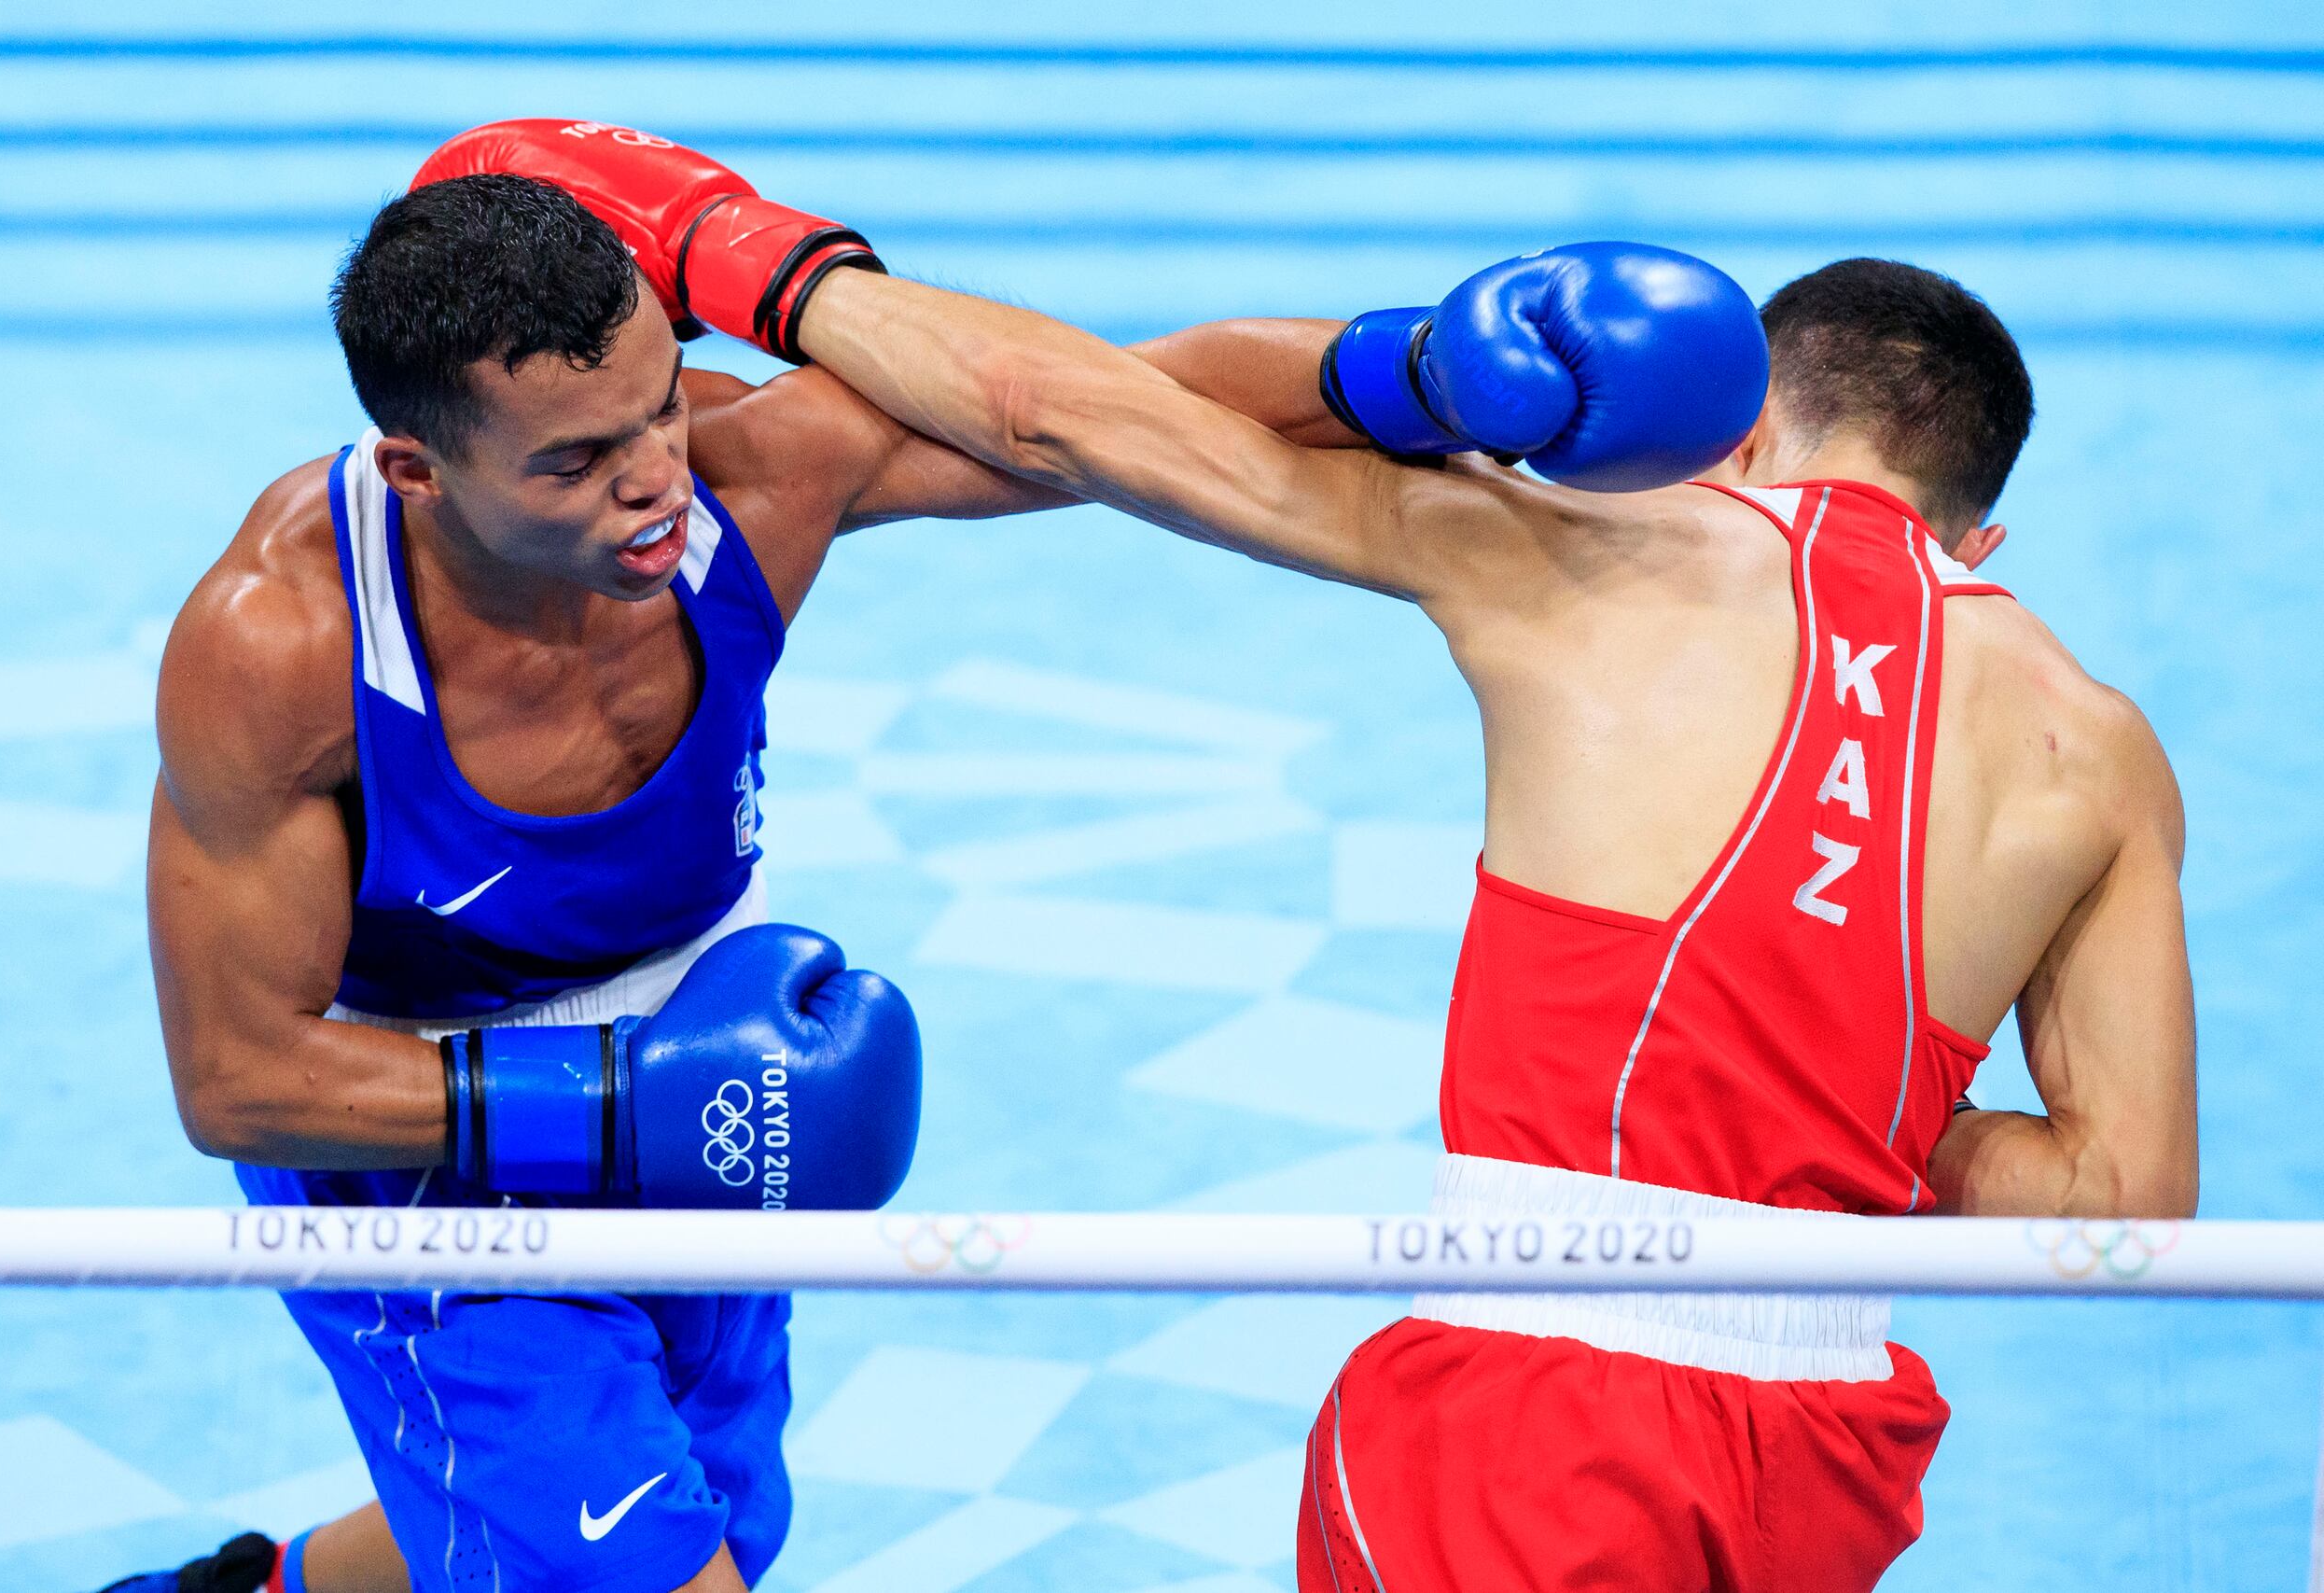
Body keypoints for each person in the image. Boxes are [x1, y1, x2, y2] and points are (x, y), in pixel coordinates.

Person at [476, 121, 2201, 1589]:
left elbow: (1069, 417)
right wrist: (1830, 1068)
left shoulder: (1619, 545)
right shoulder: (2099, 749)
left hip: (1540, 1401)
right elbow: (2124, 1210)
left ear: (1738, 432)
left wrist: (762, 264)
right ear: (1986, 535)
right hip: (1827, 1439)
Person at [113, 163, 1369, 1593]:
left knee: (681, 1509)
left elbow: (1121, 405)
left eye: (660, 404)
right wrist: (630, 1106)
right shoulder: (286, 651)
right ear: (418, 469)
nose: (654, 478)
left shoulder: (749, 475)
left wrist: (1422, 376)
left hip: (720, 1089)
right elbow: (238, 1081)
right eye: (576, 462)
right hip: (429, 1175)